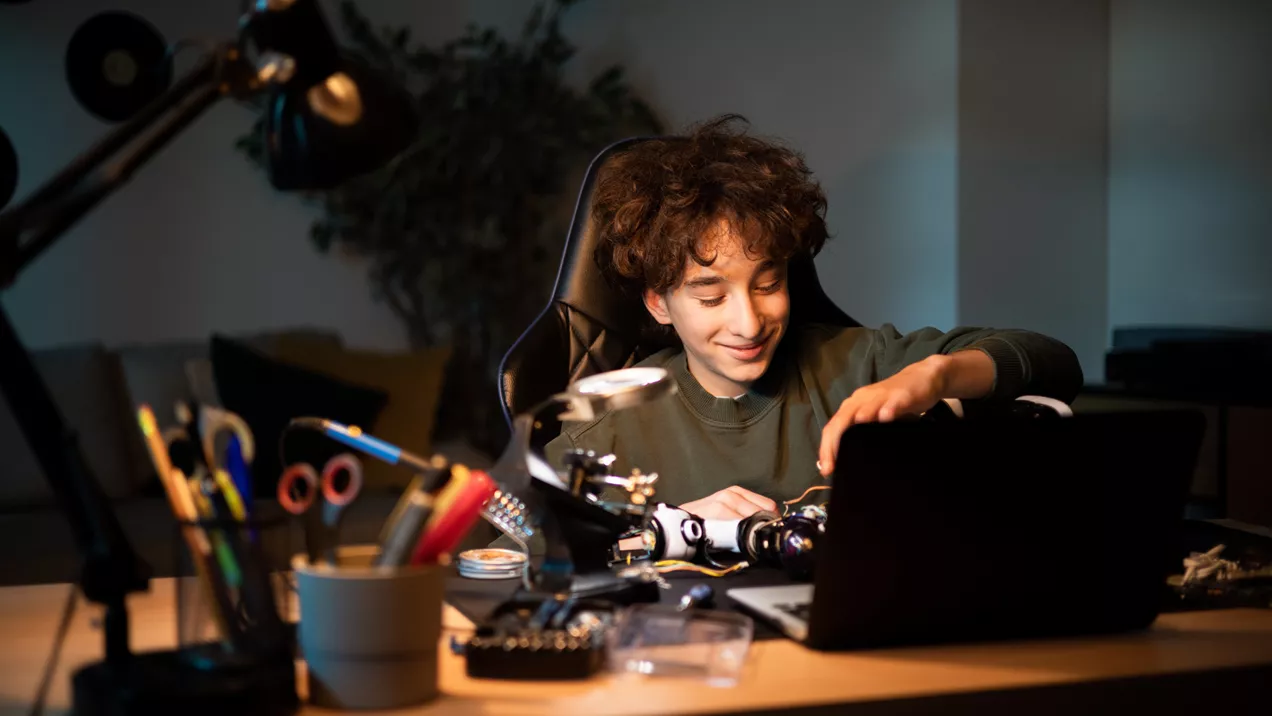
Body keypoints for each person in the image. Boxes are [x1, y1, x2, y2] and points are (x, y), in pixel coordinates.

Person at [544, 115, 1083, 521]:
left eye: (768, 284)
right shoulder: (605, 433)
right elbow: (498, 564)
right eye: (711, 298)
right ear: (658, 302)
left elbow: (1054, 364)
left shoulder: (859, 363)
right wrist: (668, 532)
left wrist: (933, 376)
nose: (749, 323)